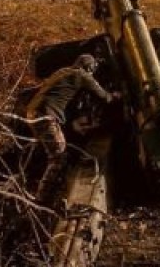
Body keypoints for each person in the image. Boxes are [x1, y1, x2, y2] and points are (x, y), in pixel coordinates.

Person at [25, 53, 114, 202]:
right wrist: (115, 95)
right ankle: (42, 199)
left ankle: (40, 185)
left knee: (51, 150)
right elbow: (104, 96)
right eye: (92, 69)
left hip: (32, 112)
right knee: (59, 155)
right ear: (88, 67)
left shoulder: (63, 71)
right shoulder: (82, 75)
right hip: (46, 116)